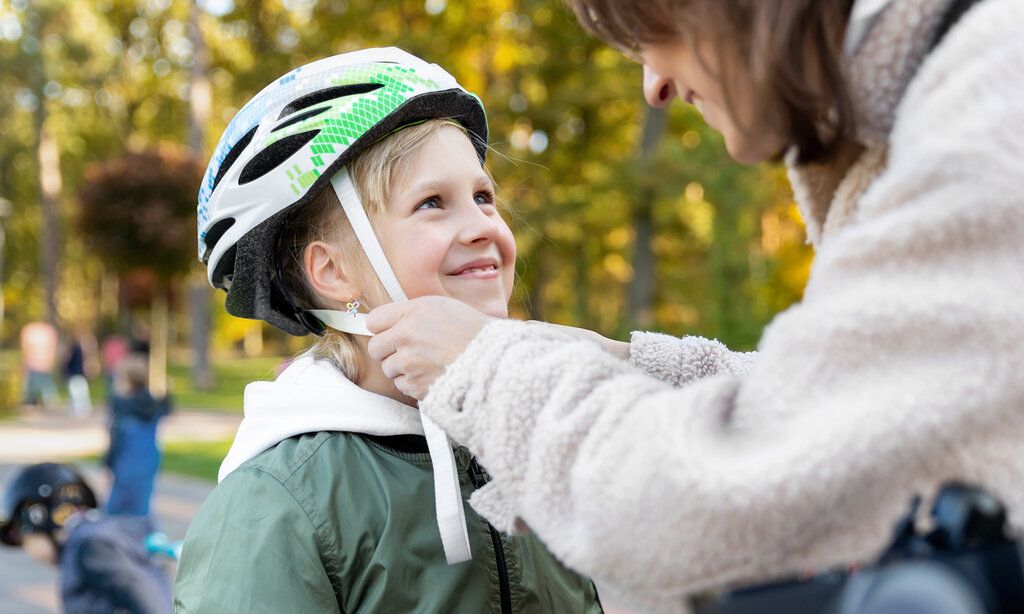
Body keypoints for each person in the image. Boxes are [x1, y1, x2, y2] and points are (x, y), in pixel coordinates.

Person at [363, 0, 1024, 611]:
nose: (653, 85)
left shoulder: (991, 111)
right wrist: (619, 359)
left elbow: (742, 487)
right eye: (431, 203)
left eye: (657, 28)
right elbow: (872, 400)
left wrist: (489, 369)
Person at [174, 48, 602, 613]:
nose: (481, 225)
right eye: (433, 203)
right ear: (334, 272)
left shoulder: (531, 443)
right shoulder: (280, 502)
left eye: (482, 196)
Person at [0, 462, 172, 614]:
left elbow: (148, 597)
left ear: (38, 517)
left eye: (24, 540)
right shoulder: (96, 536)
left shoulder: (90, 546)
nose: (28, 551)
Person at [105, 354, 170, 516]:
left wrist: (107, 463)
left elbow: (116, 443)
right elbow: (167, 407)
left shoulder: (122, 409)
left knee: (115, 510)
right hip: (148, 462)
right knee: (141, 508)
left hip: (126, 464)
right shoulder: (152, 405)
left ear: (126, 381)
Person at [20, 321, 59, 410]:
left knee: (41, 385)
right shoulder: (47, 331)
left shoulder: (30, 331)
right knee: (37, 384)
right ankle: (37, 401)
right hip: (39, 364)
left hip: (37, 364)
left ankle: (46, 401)